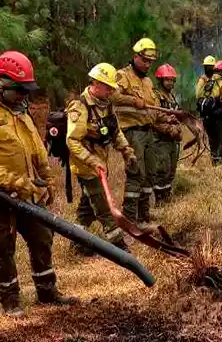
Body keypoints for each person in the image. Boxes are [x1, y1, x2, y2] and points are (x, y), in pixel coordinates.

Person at [0, 50, 77, 317]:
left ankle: (48, 291)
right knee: (3, 245)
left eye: (27, 91)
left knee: (42, 237)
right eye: (20, 90)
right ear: (0, 83)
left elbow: (36, 145)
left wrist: (47, 177)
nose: (25, 96)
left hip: (27, 191)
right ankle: (10, 300)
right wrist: (17, 183)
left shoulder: (19, 109)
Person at [66, 63, 137, 252]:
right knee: (104, 207)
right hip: (86, 166)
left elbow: (116, 131)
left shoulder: (107, 105)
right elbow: (72, 141)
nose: (111, 91)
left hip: (99, 163)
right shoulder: (80, 107)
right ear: (96, 83)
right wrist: (92, 160)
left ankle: (76, 241)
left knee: (86, 208)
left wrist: (126, 150)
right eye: (108, 87)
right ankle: (119, 247)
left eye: (112, 88)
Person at [109, 38, 175, 224]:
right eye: (144, 60)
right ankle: (130, 218)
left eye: (150, 62)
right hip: (132, 132)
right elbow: (112, 95)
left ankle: (143, 214)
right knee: (136, 173)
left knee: (150, 174)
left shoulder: (147, 81)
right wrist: (132, 100)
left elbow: (152, 107)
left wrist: (166, 117)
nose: (147, 65)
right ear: (135, 56)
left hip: (148, 132)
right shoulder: (123, 75)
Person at [152, 63, 183, 205]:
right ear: (160, 81)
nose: (170, 83)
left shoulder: (171, 97)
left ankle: (167, 196)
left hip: (172, 140)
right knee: (161, 170)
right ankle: (159, 199)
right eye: (167, 80)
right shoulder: (155, 96)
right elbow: (154, 119)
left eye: (171, 80)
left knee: (171, 169)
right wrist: (170, 129)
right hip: (160, 139)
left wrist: (177, 129)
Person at [200, 60, 222, 165]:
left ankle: (214, 162)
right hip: (219, 118)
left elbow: (200, 97)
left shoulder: (208, 82)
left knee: (213, 140)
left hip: (207, 119)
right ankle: (220, 163)